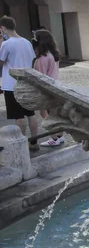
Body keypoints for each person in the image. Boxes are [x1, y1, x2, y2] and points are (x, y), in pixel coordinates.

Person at [0, 16, 39, 152]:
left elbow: (0, 62)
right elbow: (32, 60)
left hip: (11, 84)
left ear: (3, 28)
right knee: (30, 113)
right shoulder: (26, 42)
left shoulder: (7, 44)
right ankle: (34, 141)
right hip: (26, 83)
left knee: (18, 116)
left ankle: (22, 144)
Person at [32, 30, 64, 146]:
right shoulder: (53, 54)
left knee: (45, 114)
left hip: (46, 90)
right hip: (55, 86)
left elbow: (39, 77)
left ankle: (54, 138)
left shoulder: (42, 58)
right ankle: (59, 136)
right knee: (55, 114)